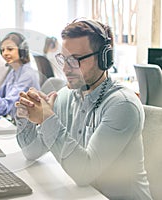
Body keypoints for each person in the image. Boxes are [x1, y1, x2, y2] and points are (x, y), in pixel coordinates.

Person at [15, 19, 153, 200]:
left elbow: (84, 173)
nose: (65, 68)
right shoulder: (65, 97)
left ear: (104, 59)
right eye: (63, 59)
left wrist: (48, 119)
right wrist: (26, 117)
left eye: (75, 60)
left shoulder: (122, 105)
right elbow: (31, 152)